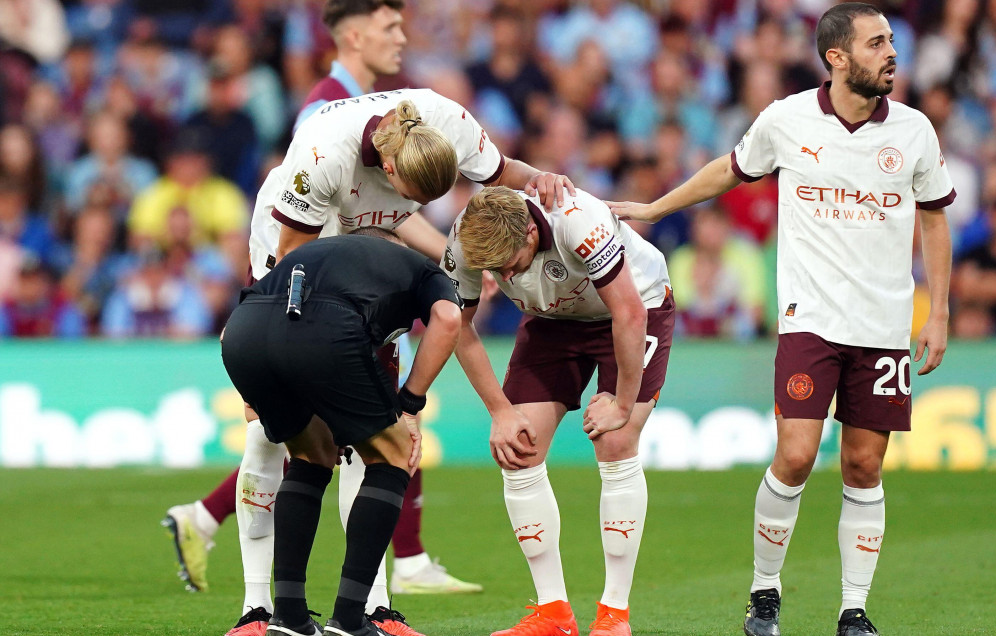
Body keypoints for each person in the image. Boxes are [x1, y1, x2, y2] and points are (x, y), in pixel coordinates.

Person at [168, 79, 573, 636]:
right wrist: (407, 402)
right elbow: (292, 263)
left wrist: (542, 179)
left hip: (314, 296)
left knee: (322, 453)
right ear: (387, 170)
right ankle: (263, 610)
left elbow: (501, 174)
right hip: (287, 265)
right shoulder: (321, 158)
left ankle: (341, 613)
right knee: (311, 440)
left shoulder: (442, 122)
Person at [609, 4, 955, 635]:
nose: (892, 53)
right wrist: (657, 209)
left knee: (864, 466)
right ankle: (765, 593)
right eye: (876, 43)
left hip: (883, 326)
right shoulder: (788, 118)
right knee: (795, 456)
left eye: (892, 41)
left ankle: (853, 611)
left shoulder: (914, 132)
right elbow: (730, 169)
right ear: (838, 58)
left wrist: (940, 312)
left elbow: (934, 215)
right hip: (810, 320)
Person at [444, 186, 674, 636]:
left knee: (615, 439)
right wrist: (499, 411)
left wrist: (622, 402)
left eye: (511, 263)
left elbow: (627, 311)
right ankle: (553, 614)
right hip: (551, 319)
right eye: (497, 270)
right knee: (518, 446)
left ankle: (614, 616)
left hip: (634, 304)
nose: (505, 275)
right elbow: (456, 325)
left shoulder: (577, 220)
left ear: (532, 230)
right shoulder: (466, 239)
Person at [220, 229, 463, 636]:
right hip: (323, 331)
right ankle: (352, 619)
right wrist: (409, 405)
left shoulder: (315, 254)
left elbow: (232, 332)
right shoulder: (416, 267)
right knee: (393, 455)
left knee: (310, 456)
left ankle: (289, 618)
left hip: (244, 333)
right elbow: (449, 319)